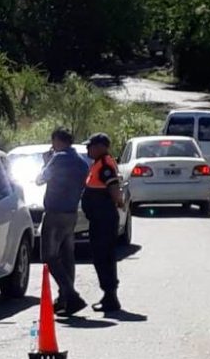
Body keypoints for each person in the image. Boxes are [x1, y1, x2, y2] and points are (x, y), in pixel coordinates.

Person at [36, 127, 90, 316]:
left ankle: (71, 295)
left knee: (49, 257)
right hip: (71, 213)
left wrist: (46, 162)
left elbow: (40, 179)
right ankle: (64, 299)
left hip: (54, 212)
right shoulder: (81, 162)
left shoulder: (58, 159)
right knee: (67, 256)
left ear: (58, 141)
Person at [81, 132, 124, 312]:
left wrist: (119, 202)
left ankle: (110, 297)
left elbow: (113, 188)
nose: (88, 149)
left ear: (101, 147)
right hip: (99, 220)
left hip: (104, 220)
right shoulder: (97, 164)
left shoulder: (105, 164)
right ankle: (108, 296)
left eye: (90, 146)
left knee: (104, 258)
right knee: (100, 258)